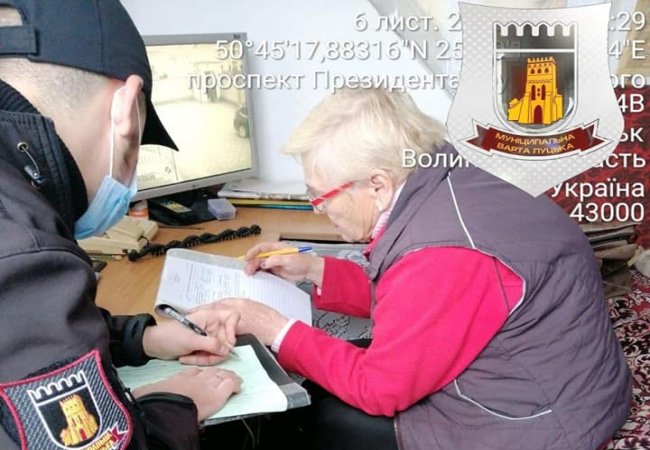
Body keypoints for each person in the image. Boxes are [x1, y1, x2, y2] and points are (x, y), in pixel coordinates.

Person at [199, 88, 632, 450]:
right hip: (573, 391)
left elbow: (379, 389)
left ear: (378, 185)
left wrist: (275, 329)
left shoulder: (442, 253)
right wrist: (314, 270)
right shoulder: (449, 174)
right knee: (325, 364)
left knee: (302, 408)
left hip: (535, 426)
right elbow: (423, 300)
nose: (318, 209)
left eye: (320, 196)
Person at [0, 2, 241, 449]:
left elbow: (20, 336)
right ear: (125, 112)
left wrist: (143, 338)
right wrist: (170, 406)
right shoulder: (26, 251)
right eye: (137, 152)